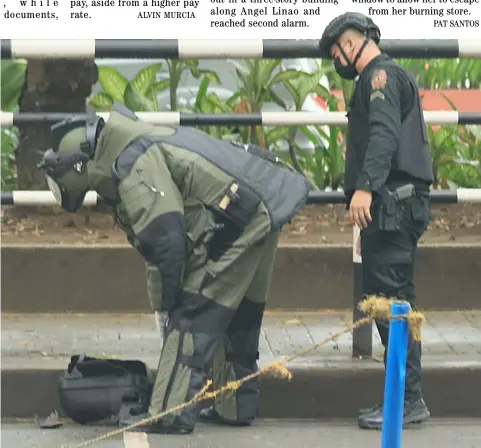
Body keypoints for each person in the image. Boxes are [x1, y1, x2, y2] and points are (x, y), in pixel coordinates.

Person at [38, 104, 312, 434]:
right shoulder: (133, 145)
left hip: (235, 219)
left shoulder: (131, 164)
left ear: (78, 166)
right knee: (237, 314)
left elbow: (164, 239)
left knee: (193, 315)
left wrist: (166, 307)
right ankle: (235, 405)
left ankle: (170, 414)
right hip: (256, 204)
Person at [319, 12, 433, 430]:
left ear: (352, 45)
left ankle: (407, 399)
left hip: (392, 207)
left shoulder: (379, 79)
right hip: (392, 209)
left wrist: (365, 186)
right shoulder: (383, 79)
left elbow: (384, 136)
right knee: (390, 300)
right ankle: (403, 396)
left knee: (394, 303)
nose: (338, 61)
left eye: (337, 52)